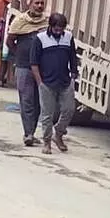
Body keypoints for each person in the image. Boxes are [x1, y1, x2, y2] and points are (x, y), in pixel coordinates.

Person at [29, 12, 77, 154]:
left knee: (69, 109)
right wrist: (40, 83)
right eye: (56, 29)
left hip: (65, 82)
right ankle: (47, 142)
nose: (59, 32)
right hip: (46, 83)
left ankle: (59, 133)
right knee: (47, 114)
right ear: (50, 26)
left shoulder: (68, 37)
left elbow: (73, 58)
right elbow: (34, 63)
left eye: (61, 29)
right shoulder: (40, 39)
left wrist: (73, 75)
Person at [7, 0, 48, 147]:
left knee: (38, 101)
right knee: (26, 100)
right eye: (37, 3)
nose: (39, 6)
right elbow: (10, 41)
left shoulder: (46, 23)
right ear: (30, 4)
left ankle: (32, 131)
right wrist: (20, 55)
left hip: (41, 68)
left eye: (42, 3)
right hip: (24, 67)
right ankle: (28, 133)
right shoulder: (19, 21)